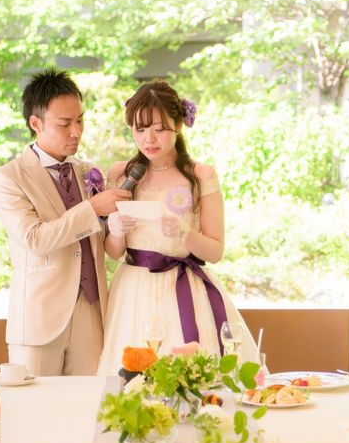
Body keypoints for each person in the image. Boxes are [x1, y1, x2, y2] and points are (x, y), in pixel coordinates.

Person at [97, 80, 258, 374]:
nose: (149, 139)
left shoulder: (200, 175)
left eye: (159, 129)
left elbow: (215, 251)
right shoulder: (121, 173)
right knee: (131, 379)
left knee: (190, 377)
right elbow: (113, 252)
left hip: (185, 287)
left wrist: (185, 233)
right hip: (133, 290)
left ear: (179, 126)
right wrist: (116, 229)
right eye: (140, 129)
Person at [0, 68, 131, 376]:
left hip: (92, 313)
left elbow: (106, 242)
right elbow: (35, 239)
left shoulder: (89, 172)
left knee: (90, 404)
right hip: (39, 318)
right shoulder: (8, 178)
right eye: (65, 123)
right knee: (34, 405)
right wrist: (92, 209)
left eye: (80, 120)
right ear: (36, 123)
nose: (76, 131)